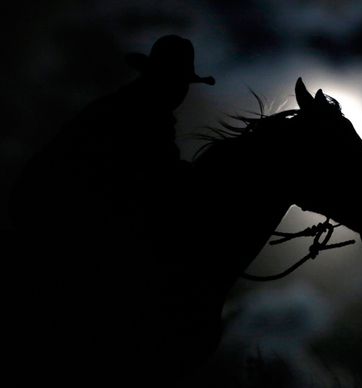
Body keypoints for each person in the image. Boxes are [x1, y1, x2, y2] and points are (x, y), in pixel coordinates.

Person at [9, 35, 216, 387]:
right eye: (178, 83)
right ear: (161, 80)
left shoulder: (139, 112)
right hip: (60, 228)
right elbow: (148, 182)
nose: (181, 93)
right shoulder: (135, 115)